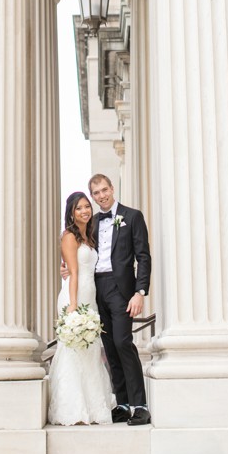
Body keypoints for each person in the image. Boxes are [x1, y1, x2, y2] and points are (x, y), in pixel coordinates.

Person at [87, 174, 153, 426]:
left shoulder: (132, 216)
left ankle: (140, 405)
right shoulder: (92, 223)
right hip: (96, 288)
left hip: (121, 289)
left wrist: (140, 292)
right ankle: (123, 404)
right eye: (96, 193)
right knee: (110, 347)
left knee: (123, 342)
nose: (102, 195)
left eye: (105, 190)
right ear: (92, 196)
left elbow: (143, 257)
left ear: (112, 188)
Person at [48, 192, 115, 425]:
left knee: (91, 350)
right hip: (75, 295)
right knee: (73, 351)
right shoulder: (68, 236)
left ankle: (93, 405)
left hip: (91, 296)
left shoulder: (89, 236)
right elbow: (74, 272)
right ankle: (72, 408)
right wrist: (74, 306)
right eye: (79, 208)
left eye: (87, 206)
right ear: (71, 212)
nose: (85, 211)